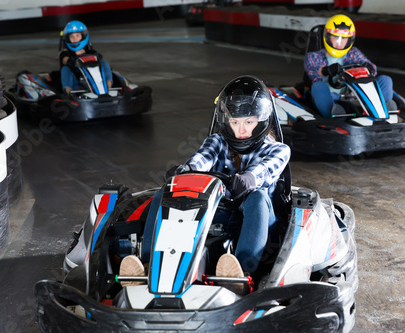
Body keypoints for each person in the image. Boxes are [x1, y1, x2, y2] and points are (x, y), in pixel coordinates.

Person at [120, 76, 291, 294]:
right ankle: (147, 266)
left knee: (257, 197)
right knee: (165, 194)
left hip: (257, 219)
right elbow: (202, 159)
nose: (241, 130)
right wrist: (184, 172)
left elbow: (264, 170)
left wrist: (248, 179)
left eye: (249, 122)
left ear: (262, 120)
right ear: (225, 121)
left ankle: (239, 274)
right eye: (235, 122)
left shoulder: (278, 149)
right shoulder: (218, 141)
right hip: (217, 211)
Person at [304, 14, 395, 118]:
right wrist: (327, 70)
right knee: (318, 86)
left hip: (355, 96)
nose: (340, 42)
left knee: (385, 79)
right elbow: (313, 71)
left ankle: (385, 112)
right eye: (336, 37)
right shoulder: (314, 56)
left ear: (349, 40)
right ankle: (334, 115)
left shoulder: (353, 53)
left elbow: (372, 69)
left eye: (344, 38)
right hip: (331, 97)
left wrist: (368, 66)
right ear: (328, 37)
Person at [59, 20, 113, 95]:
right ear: (67, 39)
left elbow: (98, 58)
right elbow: (65, 60)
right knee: (65, 69)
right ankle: (69, 94)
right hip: (77, 84)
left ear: (83, 36)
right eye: (71, 36)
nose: (74, 39)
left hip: (94, 82)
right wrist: (76, 57)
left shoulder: (90, 52)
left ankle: (108, 89)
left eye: (77, 36)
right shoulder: (65, 53)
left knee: (104, 63)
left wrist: (84, 54)